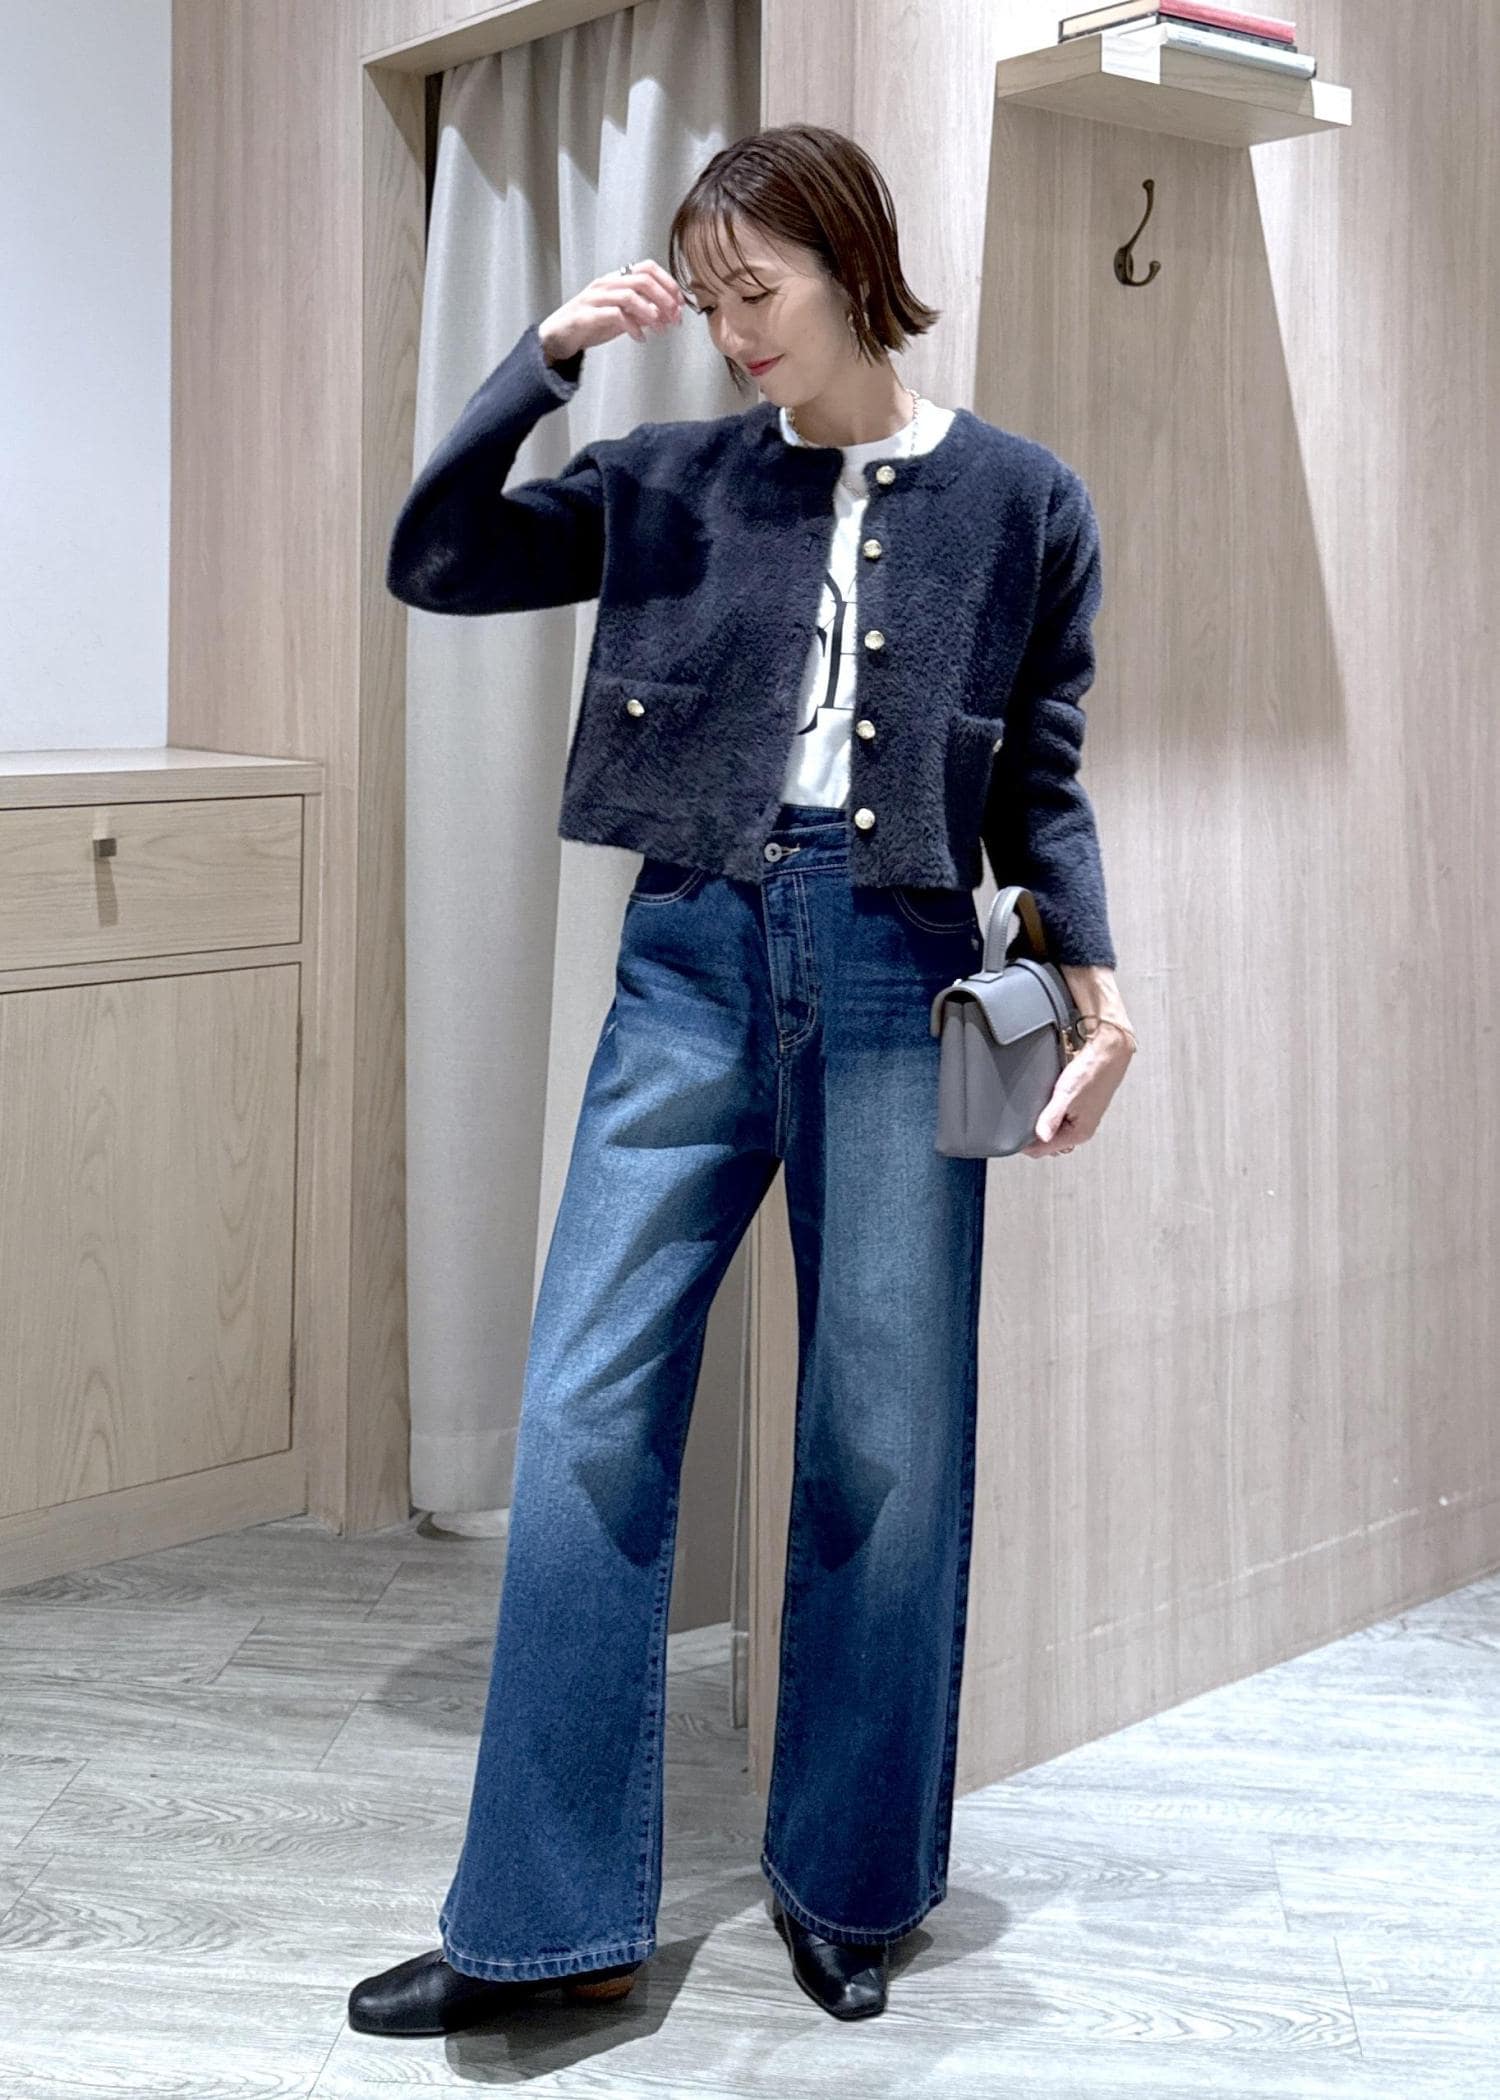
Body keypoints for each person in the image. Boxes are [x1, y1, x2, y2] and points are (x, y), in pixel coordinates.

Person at [349, 123, 1136, 2038]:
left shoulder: (1024, 499)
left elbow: (1037, 776)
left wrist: (1097, 987)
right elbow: (438, 560)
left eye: (756, 291)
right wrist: (544, 360)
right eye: (706, 304)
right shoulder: (668, 480)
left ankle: (853, 1884)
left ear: (855, 265)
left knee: (887, 1437)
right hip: (692, 956)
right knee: (582, 1415)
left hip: (900, 966)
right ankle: (545, 1924)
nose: (732, 333)